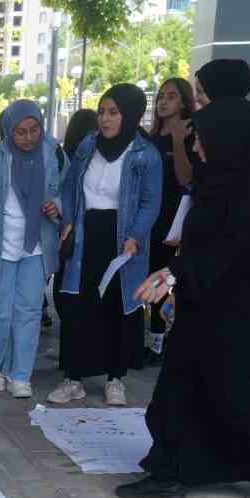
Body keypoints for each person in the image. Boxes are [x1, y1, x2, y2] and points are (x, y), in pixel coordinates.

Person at [123, 99, 250, 498]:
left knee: (232, 395)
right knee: (175, 392)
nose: (197, 147)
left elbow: (233, 249)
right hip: (207, 303)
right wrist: (176, 274)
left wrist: (172, 275)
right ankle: (170, 472)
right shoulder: (217, 181)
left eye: (201, 138)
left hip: (248, 311)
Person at [51, 85, 162, 407]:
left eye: (113, 112)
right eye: (101, 111)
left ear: (130, 114)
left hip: (121, 237)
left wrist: (135, 236)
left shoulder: (145, 153)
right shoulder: (88, 145)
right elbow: (71, 186)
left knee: (117, 306)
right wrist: (68, 220)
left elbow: (149, 202)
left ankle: (116, 378)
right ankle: (73, 377)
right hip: (87, 233)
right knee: (77, 304)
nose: (105, 119)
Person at [0, 99, 63, 400]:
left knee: (29, 312)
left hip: (36, 248)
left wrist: (57, 206)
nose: (28, 138)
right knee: (2, 312)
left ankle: (21, 375)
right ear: (9, 131)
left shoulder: (54, 154)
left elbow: (71, 192)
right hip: (0, 248)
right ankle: (0, 370)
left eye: (34, 130)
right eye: (20, 132)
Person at [145, 78, 196, 365]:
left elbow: (184, 178)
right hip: (146, 218)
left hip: (171, 219)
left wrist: (178, 140)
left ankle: (157, 343)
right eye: (161, 96)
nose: (164, 101)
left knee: (161, 279)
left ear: (184, 102)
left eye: (172, 96)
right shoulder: (149, 138)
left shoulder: (189, 136)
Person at [43, 108, 100, 343]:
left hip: (63, 231)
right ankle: (77, 342)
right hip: (86, 229)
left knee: (63, 287)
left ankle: (68, 342)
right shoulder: (89, 156)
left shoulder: (63, 156)